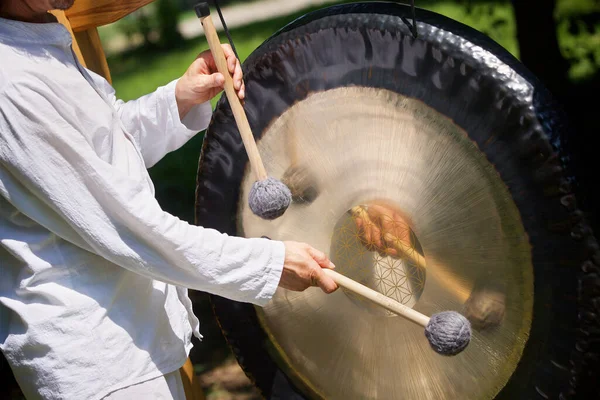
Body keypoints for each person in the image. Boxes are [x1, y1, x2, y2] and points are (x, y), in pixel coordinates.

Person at [0, 0, 339, 399]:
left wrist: (179, 97)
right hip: (98, 362)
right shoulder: (11, 83)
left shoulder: (36, 36)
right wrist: (268, 264)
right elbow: (128, 227)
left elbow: (105, 151)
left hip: (132, 335)